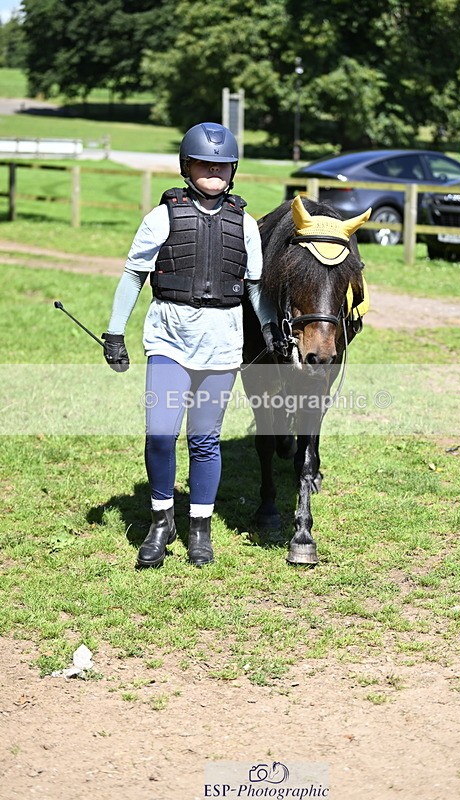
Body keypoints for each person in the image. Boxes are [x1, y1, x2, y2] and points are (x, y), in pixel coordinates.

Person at [103, 122, 282, 568]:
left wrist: (271, 327)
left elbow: (256, 288)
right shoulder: (162, 217)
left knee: (205, 439)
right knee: (161, 433)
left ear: (234, 170)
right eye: (204, 163)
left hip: (222, 343)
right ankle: (161, 521)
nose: (214, 171)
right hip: (169, 337)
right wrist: (113, 331)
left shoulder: (244, 225)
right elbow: (133, 276)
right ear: (186, 166)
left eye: (222, 165)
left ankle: (199, 528)